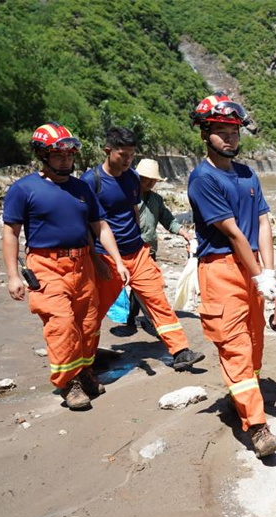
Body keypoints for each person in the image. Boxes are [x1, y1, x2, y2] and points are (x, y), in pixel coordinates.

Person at [2, 122, 130, 410]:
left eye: (69, 155)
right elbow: (10, 233)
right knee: (61, 325)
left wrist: (117, 261)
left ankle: (84, 372)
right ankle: (68, 383)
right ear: (42, 155)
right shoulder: (24, 189)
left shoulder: (82, 188)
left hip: (82, 264)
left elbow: (100, 226)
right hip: (46, 266)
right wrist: (13, 276)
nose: (65, 161)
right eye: (58, 155)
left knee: (88, 324)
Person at [187, 92, 276, 458]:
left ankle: (241, 397)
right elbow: (233, 233)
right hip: (222, 270)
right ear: (205, 133)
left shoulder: (247, 174)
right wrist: (260, 277)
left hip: (252, 265)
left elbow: (262, 223)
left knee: (255, 342)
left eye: (234, 131)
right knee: (236, 346)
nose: (229, 138)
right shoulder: (203, 179)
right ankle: (258, 428)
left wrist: (268, 273)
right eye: (221, 132)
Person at [81, 128, 204, 374]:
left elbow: (133, 209)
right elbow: (85, 223)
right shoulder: (90, 181)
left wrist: (139, 238)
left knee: (158, 301)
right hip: (105, 256)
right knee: (95, 310)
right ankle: (84, 359)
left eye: (131, 155)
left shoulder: (131, 178)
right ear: (108, 151)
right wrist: (95, 260)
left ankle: (180, 351)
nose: (128, 160)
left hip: (138, 253)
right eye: (123, 155)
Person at [125, 158, 193, 329]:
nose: (149, 183)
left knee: (141, 286)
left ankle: (132, 318)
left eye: (152, 180)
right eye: (145, 179)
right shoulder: (127, 197)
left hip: (149, 250)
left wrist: (185, 234)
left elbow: (168, 220)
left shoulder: (156, 200)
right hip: (129, 249)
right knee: (145, 287)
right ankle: (154, 322)